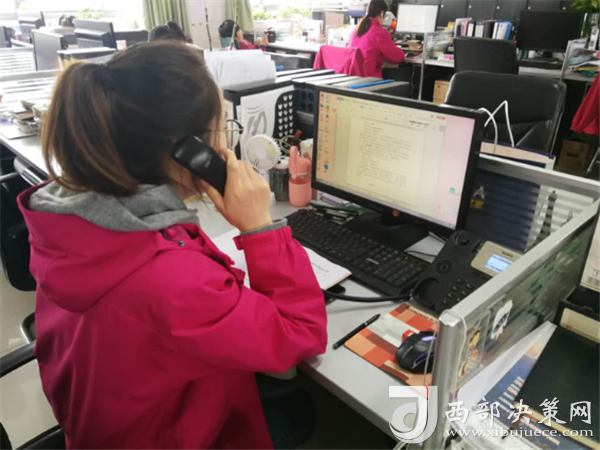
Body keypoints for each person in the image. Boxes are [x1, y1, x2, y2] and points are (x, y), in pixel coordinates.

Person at [18, 41, 327, 449]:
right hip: (174, 435)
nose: (224, 147)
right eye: (222, 131)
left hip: (110, 427)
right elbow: (300, 335)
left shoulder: (76, 216)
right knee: (304, 407)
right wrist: (259, 226)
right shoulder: (168, 278)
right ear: (187, 152)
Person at [350, 0, 405, 77]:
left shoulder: (357, 29)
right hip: (370, 78)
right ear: (382, 13)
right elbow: (398, 57)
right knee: (405, 71)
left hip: (354, 77)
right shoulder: (379, 32)